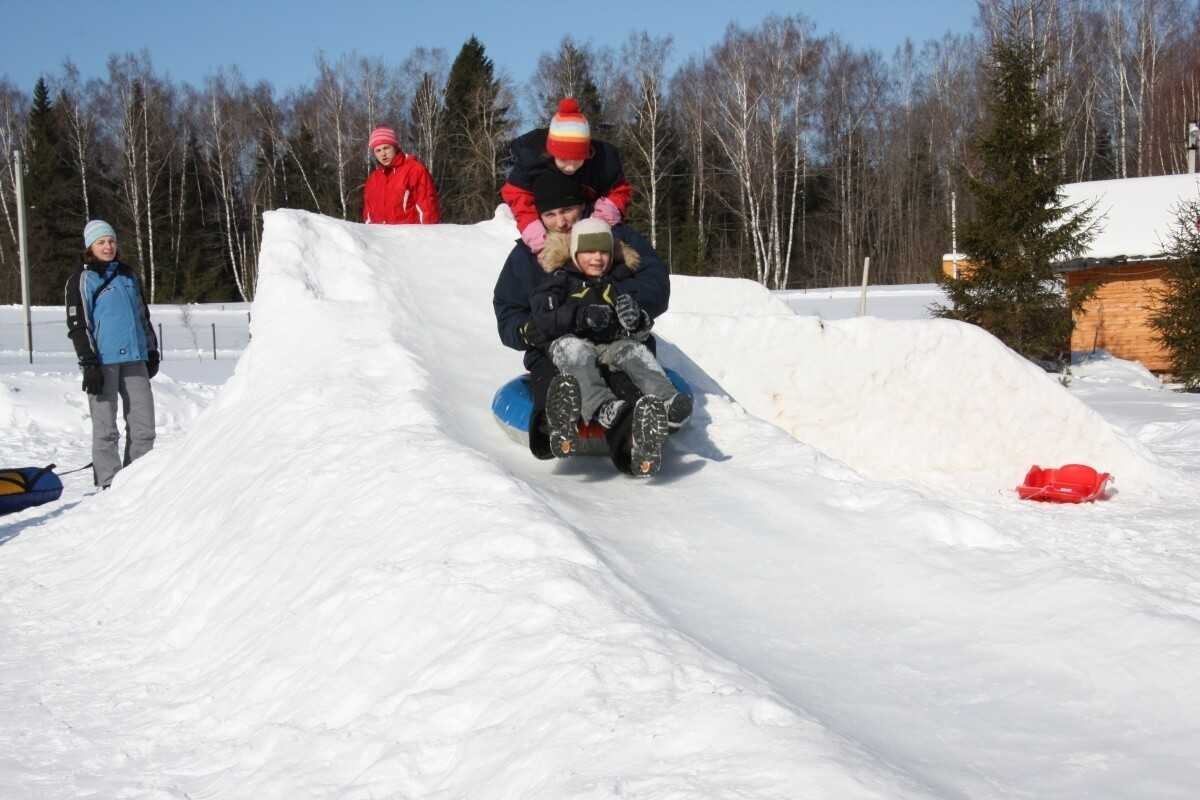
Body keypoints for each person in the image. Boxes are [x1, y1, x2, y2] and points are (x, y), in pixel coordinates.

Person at [493, 170, 675, 476]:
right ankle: (553, 427)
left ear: (583, 204)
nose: (561, 222)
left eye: (567, 211)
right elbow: (508, 308)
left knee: (626, 380)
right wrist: (527, 329)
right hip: (557, 345)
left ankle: (636, 444)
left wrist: (622, 304)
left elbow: (656, 282)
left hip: (616, 338)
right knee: (555, 374)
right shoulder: (528, 254)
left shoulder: (615, 237)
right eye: (550, 214)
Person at [529, 217, 693, 476]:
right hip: (571, 342)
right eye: (589, 251)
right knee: (576, 353)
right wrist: (581, 316)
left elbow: (637, 327)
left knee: (635, 351)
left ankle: (666, 402)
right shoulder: (561, 281)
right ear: (574, 253)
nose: (597, 258)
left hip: (610, 345)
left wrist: (637, 320)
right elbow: (544, 316)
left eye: (603, 251)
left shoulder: (619, 282)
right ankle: (602, 407)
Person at [65, 220, 159, 490]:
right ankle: (109, 484)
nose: (108, 246)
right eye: (101, 242)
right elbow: (77, 325)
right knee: (106, 429)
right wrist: (88, 361)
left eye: (111, 241)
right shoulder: (82, 279)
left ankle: (137, 480)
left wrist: (151, 350)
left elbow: (143, 316)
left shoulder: (128, 275)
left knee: (144, 426)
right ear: (89, 247)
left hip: (134, 359)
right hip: (102, 363)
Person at [500, 98, 632, 255]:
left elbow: (619, 189)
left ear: (588, 154)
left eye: (577, 160)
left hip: (587, 219)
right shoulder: (531, 161)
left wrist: (603, 217)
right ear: (551, 152)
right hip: (547, 226)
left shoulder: (602, 163)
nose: (570, 167)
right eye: (563, 160)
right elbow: (516, 196)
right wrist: (534, 231)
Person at [362, 126, 441, 225]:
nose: (383, 154)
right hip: (380, 237)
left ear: (395, 147)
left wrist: (426, 238)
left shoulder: (414, 170)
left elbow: (428, 210)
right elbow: (368, 215)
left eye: (386, 148)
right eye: (378, 150)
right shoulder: (373, 180)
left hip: (409, 237)